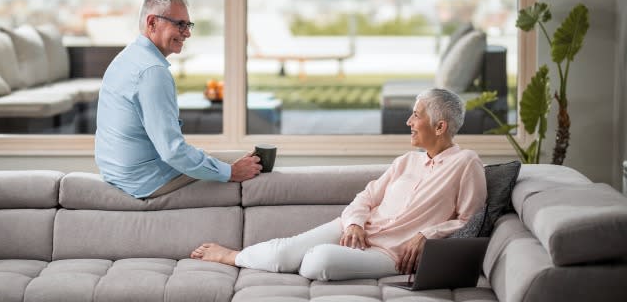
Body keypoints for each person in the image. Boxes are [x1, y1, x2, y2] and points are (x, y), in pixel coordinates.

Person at [191, 88, 486, 281]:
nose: (409, 121)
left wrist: (426, 234)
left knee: (315, 262)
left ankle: (280, 259)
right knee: (286, 252)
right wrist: (355, 223)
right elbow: (366, 197)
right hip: (352, 230)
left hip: (388, 254)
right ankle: (230, 256)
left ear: (440, 126)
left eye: (416, 115)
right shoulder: (406, 161)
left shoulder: (466, 163)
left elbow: (471, 221)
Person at [95, 0, 262, 198]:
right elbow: (172, 151)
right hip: (145, 181)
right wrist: (231, 172)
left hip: (119, 174)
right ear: (152, 23)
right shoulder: (152, 72)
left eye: (188, 25)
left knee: (236, 161)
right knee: (247, 165)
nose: (188, 33)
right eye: (180, 24)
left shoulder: (127, 58)